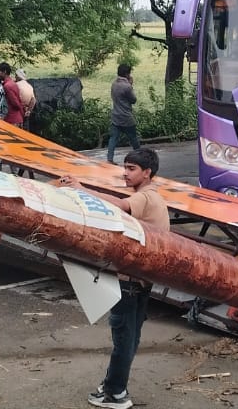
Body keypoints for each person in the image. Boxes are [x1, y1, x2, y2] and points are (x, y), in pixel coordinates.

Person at [54, 148, 168, 409]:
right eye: (124, 167)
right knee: (130, 339)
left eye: (131, 169)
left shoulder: (146, 197)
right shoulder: (153, 197)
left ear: (147, 173)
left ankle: (115, 393)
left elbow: (118, 204)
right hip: (141, 281)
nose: (125, 173)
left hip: (129, 282)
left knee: (123, 339)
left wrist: (81, 189)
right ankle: (111, 387)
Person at [108, 64, 140, 164]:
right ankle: (139, 156)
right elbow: (133, 100)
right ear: (127, 74)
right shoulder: (126, 86)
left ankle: (109, 158)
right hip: (126, 116)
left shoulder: (114, 84)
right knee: (133, 137)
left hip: (115, 115)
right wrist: (131, 85)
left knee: (113, 138)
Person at [0, 62, 25, 127]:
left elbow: (16, 103)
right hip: (17, 118)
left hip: (12, 120)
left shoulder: (7, 86)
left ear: (4, 72)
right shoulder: (13, 83)